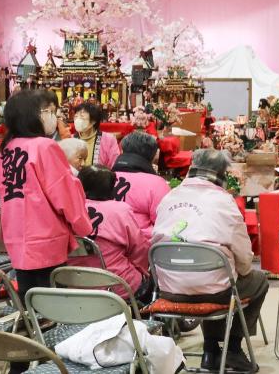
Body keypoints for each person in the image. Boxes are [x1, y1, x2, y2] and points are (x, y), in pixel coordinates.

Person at [0, 90, 92, 374]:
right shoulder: (44, 147)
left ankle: (21, 363)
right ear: (33, 115)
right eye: (49, 111)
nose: (54, 117)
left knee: (28, 308)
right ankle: (48, 365)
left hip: (17, 238)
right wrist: (84, 226)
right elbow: (65, 194)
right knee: (52, 314)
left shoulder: (8, 148)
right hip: (46, 239)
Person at [151, 149, 266, 374]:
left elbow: (155, 238)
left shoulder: (170, 196)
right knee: (253, 280)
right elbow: (244, 256)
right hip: (213, 290)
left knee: (213, 279)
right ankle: (231, 347)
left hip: (169, 289)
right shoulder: (224, 201)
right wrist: (240, 270)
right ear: (222, 173)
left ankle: (211, 351)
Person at [78, 165, 152, 301]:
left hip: (72, 283)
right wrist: (141, 270)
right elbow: (139, 249)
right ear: (112, 188)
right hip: (116, 285)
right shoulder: (120, 210)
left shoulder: (70, 208)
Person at [112, 132, 170, 242]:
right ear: (153, 156)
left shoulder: (104, 176)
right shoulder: (156, 183)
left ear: (122, 151)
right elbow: (163, 223)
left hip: (105, 241)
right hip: (140, 245)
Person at [73, 101, 120, 167]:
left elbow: (115, 165)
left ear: (93, 121)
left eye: (82, 117)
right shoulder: (70, 139)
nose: (77, 120)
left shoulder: (108, 139)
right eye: (76, 116)